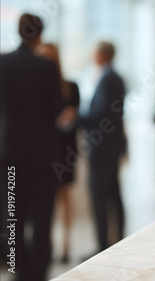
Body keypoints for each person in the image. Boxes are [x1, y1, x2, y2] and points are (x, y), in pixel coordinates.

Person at [0, 14, 64, 281]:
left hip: (10, 155)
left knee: (12, 216)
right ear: (39, 35)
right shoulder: (46, 67)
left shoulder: (2, 64)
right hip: (40, 156)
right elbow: (56, 111)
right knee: (41, 218)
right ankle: (37, 274)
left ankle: (18, 271)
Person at [36, 43, 80, 263]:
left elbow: (75, 116)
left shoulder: (70, 86)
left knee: (64, 198)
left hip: (64, 149)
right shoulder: (35, 86)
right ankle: (47, 246)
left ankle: (65, 245)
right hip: (43, 151)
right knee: (45, 201)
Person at [80, 41, 126, 252]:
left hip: (102, 149)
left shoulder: (107, 79)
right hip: (111, 148)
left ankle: (102, 245)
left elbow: (101, 116)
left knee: (101, 197)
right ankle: (119, 240)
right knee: (114, 194)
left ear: (101, 54)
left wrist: (76, 118)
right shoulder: (114, 77)